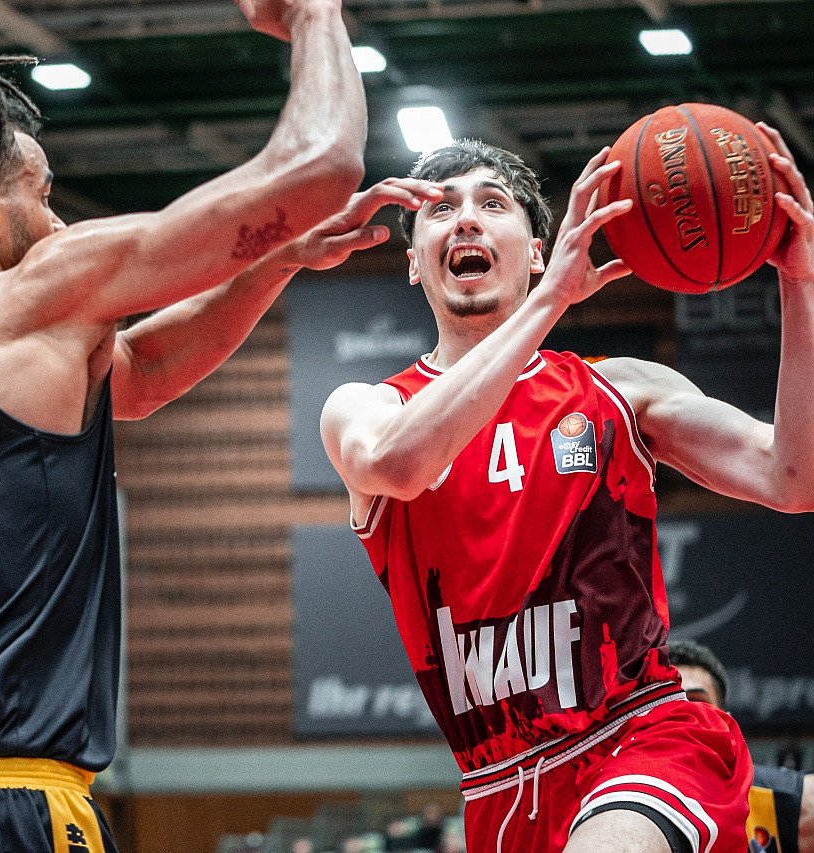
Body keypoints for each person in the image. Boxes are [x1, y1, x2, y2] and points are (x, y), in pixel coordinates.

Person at [0, 1, 439, 850]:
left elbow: (142, 376)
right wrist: (315, 13)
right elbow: (318, 164)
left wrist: (275, 258)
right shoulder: (30, 293)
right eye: (45, 194)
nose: (60, 224)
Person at [321, 127, 814, 853]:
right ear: (413, 264)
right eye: (439, 208)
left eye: (492, 203)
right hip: (498, 785)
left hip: (641, 740)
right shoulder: (365, 407)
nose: (465, 218)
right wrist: (547, 304)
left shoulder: (618, 390)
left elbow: (793, 476)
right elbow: (399, 466)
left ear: (540, 252)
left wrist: (800, 286)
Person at [669, 638, 814, 853]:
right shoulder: (613, 803)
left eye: (698, 701)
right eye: (669, 704)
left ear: (727, 723)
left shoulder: (780, 800)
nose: (684, 716)